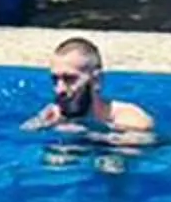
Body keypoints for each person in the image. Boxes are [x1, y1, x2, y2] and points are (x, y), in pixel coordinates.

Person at [22, 37, 155, 139]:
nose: (59, 89)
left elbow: (132, 149)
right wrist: (40, 123)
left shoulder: (130, 119)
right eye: (55, 80)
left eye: (70, 79)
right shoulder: (53, 115)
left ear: (96, 80)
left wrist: (85, 133)